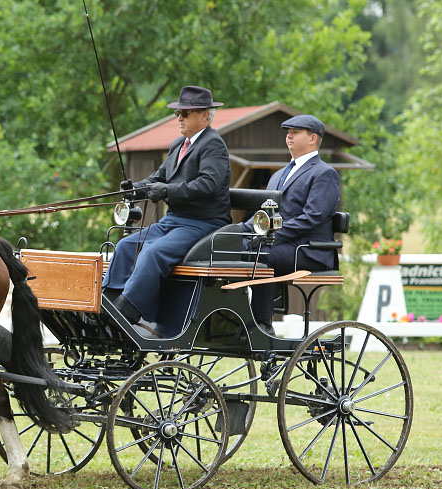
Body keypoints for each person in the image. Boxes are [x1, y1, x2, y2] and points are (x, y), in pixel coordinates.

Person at [103, 85, 232, 332]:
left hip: (203, 223)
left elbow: (209, 184)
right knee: (127, 245)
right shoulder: (178, 145)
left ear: (205, 115)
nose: (179, 118)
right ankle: (107, 304)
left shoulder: (213, 145)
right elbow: (158, 178)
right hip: (173, 222)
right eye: (178, 113)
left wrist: (168, 191)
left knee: (154, 252)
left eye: (185, 113)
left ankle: (126, 312)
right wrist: (135, 190)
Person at [240, 114, 341, 333]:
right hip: (281, 244)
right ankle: (232, 318)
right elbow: (263, 213)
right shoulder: (278, 175)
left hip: (309, 249)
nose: (289, 136)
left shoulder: (324, 173)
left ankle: (262, 325)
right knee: (230, 248)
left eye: (295, 132)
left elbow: (312, 217)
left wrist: (270, 234)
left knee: (260, 254)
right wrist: (241, 230)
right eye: (288, 132)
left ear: (313, 138)